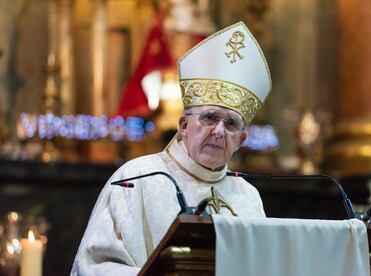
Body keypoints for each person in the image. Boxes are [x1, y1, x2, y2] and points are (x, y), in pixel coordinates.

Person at [71, 21, 272, 275]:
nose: (219, 131)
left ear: (240, 141)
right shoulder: (135, 178)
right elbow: (96, 267)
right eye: (210, 117)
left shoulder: (248, 197)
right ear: (184, 125)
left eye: (230, 124)